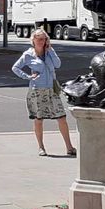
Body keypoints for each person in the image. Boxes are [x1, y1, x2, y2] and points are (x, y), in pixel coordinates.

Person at [11, 28, 76, 157]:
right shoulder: (28, 54)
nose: (41, 41)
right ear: (33, 40)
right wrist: (27, 76)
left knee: (61, 117)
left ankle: (69, 147)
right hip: (37, 89)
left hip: (52, 89)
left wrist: (50, 50)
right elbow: (15, 67)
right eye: (38, 39)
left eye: (43, 39)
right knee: (39, 119)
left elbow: (57, 65)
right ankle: (41, 147)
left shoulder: (49, 52)